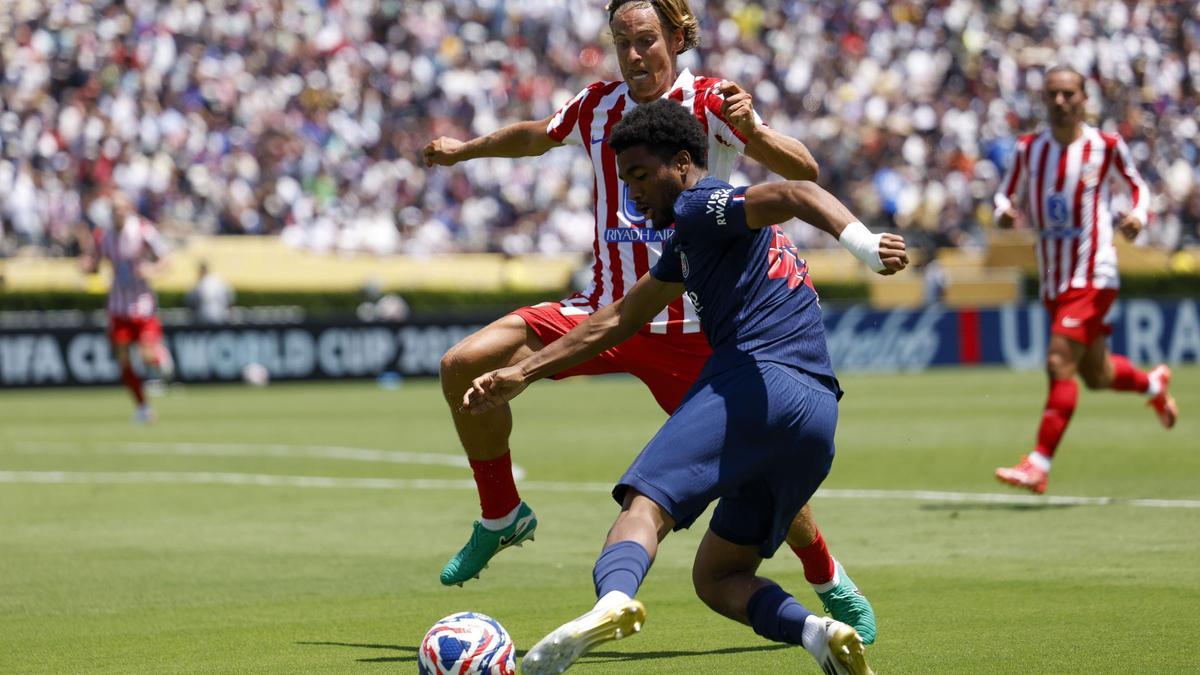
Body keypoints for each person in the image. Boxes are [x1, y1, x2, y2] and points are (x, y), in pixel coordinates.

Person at [422, 0, 877, 640]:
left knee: (763, 475)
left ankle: (828, 578)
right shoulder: (595, 104)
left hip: (693, 329)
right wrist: (463, 151)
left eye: (645, 41)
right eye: (622, 42)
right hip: (607, 310)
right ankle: (502, 515)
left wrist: (755, 130)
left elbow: (803, 172)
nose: (633, 56)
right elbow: (532, 136)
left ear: (677, 38)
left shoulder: (713, 101)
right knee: (462, 364)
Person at [461, 99, 906, 674]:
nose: (633, 194)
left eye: (641, 176)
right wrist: (522, 373)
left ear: (680, 162)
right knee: (718, 577)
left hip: (755, 381)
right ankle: (819, 634)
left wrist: (865, 245)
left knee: (643, 507)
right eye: (625, 181)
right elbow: (618, 319)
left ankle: (613, 601)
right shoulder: (692, 241)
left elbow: (796, 191)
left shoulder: (701, 205)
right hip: (818, 414)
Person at [993, 65, 1179, 494]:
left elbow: (1138, 188)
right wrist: (1004, 211)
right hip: (1054, 279)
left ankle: (1039, 463)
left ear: (1084, 99)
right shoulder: (1028, 149)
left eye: (1068, 94)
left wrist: (1138, 216)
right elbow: (1005, 192)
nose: (1060, 102)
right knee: (1096, 374)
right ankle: (1153, 384)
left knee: (1059, 360)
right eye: (1052, 94)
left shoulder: (1105, 146)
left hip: (1094, 272)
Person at [80, 191, 172, 423]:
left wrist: (151, 269)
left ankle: (160, 358)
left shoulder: (142, 229)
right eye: (114, 209)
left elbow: (166, 258)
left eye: (121, 208)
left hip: (142, 304)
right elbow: (94, 263)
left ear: (129, 209)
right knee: (123, 360)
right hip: (118, 307)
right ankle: (142, 407)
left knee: (147, 354)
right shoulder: (103, 235)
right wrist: (86, 266)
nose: (118, 213)